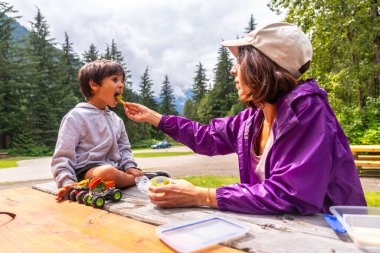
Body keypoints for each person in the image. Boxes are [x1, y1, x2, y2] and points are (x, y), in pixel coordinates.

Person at [123, 22, 367, 215]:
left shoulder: (307, 110)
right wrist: (155, 118)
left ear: (260, 64)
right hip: (284, 229)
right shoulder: (253, 118)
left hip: (331, 233)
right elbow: (207, 137)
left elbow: (291, 194)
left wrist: (203, 195)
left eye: (240, 60)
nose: (233, 70)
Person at [52, 59, 143, 201]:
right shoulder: (76, 116)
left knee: (112, 172)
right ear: (94, 84)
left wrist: (129, 166)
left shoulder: (117, 120)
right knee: (108, 173)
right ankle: (137, 179)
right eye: (114, 79)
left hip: (116, 169)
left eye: (122, 81)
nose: (121, 84)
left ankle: (131, 177)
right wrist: (67, 182)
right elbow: (63, 155)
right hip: (88, 172)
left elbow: (125, 149)